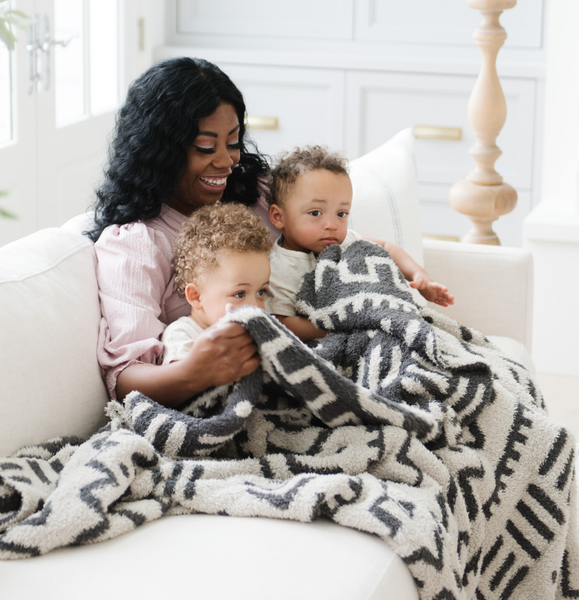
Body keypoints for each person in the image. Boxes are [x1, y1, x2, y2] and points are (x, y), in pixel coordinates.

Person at [86, 56, 279, 408]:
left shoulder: (260, 194)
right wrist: (195, 372)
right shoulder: (137, 243)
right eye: (206, 147)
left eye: (233, 142)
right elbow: (126, 377)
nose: (226, 162)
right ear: (160, 151)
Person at [265, 145, 454, 342]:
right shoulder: (277, 268)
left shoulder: (345, 244)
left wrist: (419, 276)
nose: (332, 225)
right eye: (315, 213)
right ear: (279, 217)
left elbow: (387, 248)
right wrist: (346, 324)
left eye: (341, 214)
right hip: (334, 340)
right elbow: (282, 322)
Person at [161, 202, 272, 365]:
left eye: (261, 292)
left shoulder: (257, 329)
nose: (255, 307)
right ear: (196, 296)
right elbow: (182, 383)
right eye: (240, 294)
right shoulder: (182, 334)